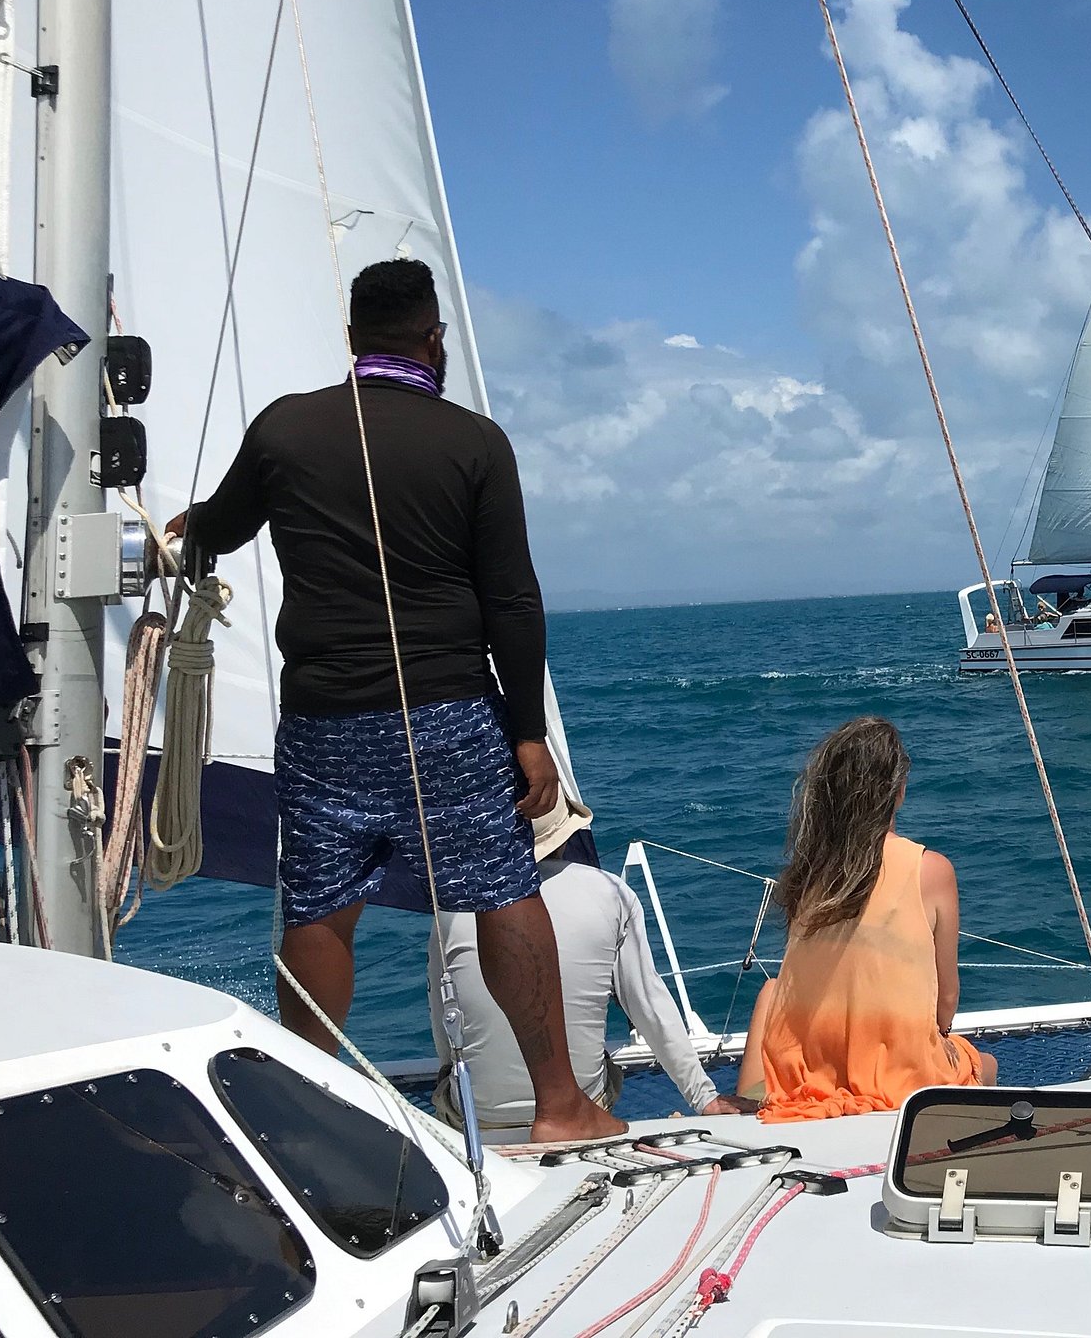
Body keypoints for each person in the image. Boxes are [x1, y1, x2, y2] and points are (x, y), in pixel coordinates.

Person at [169, 257, 621, 1144]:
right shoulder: (474, 442)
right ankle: (561, 1107)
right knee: (501, 892)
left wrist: (188, 528)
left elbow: (218, 529)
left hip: (323, 718)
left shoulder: (284, 432)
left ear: (349, 339)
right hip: (450, 713)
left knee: (322, 907)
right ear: (433, 339)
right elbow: (513, 600)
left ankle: (305, 1114)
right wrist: (528, 737)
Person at [429, 798, 751, 1136]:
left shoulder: (452, 907)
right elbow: (649, 1005)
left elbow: (446, 1024)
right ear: (565, 836)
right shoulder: (608, 892)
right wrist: (705, 1098)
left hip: (480, 1119)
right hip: (579, 1105)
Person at [738, 716, 995, 1122]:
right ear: (899, 792)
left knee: (771, 992)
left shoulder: (810, 871)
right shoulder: (930, 869)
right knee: (986, 1063)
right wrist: (938, 1036)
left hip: (810, 1075)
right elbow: (946, 1000)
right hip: (901, 1080)